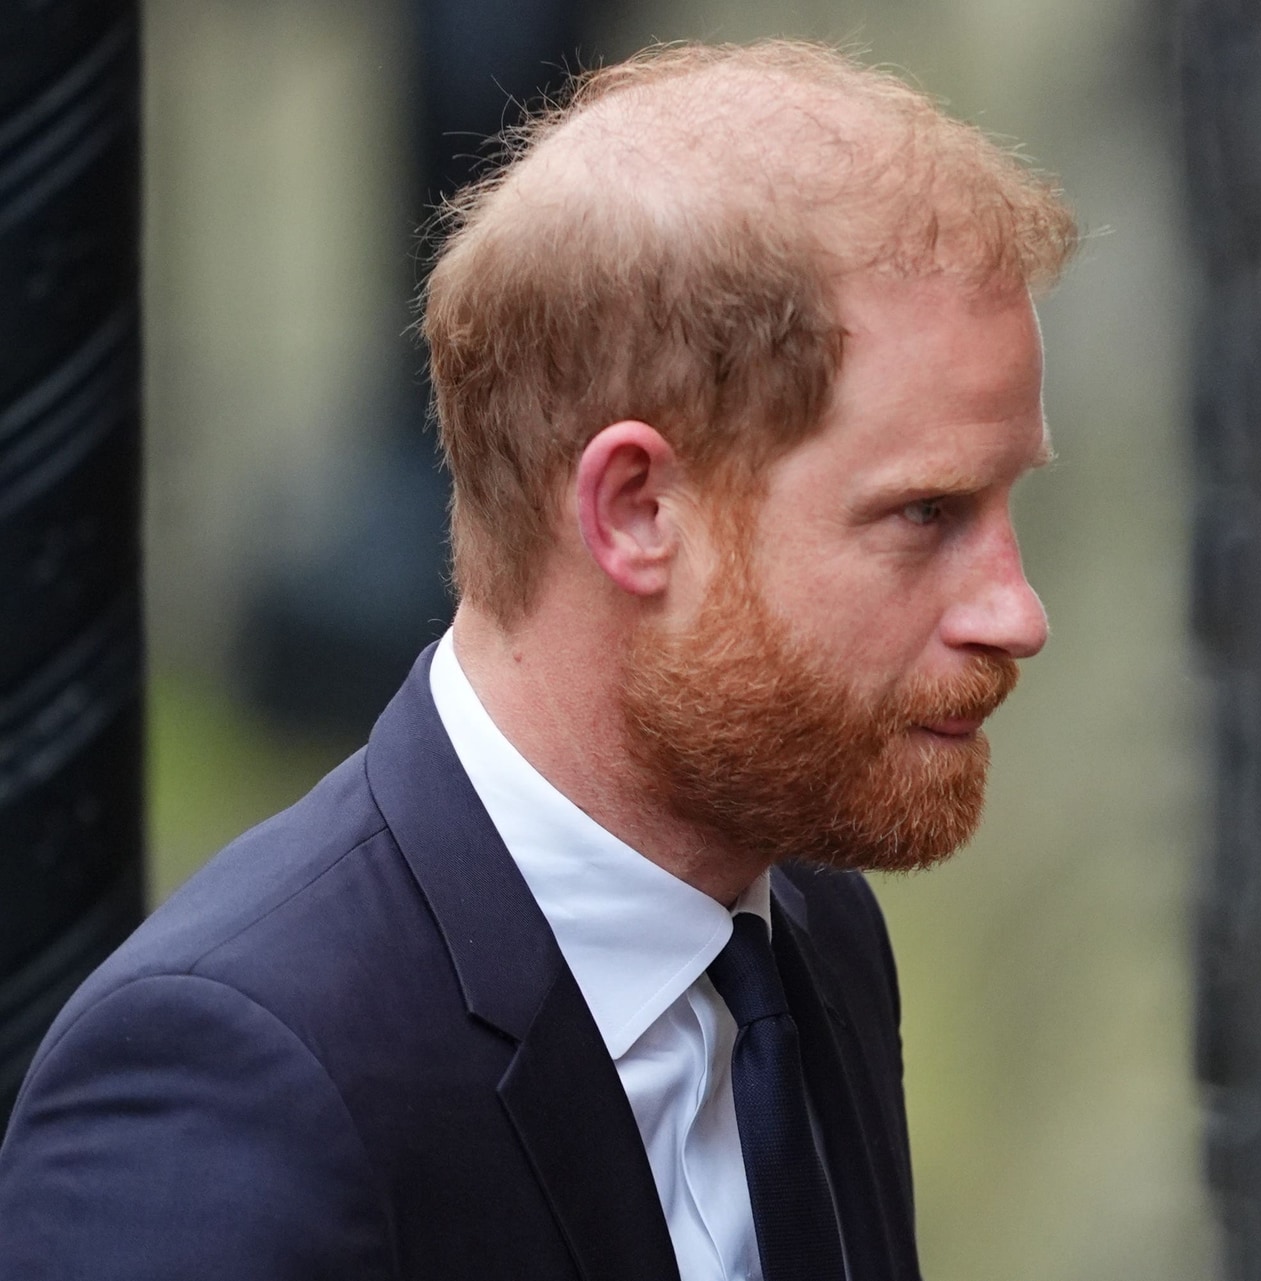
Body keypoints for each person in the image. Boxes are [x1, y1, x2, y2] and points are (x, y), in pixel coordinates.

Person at [0, 40, 1076, 1281]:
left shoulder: (808, 932)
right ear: (634, 512)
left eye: (1006, 509)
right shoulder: (231, 1083)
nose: (1015, 611)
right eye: (926, 516)